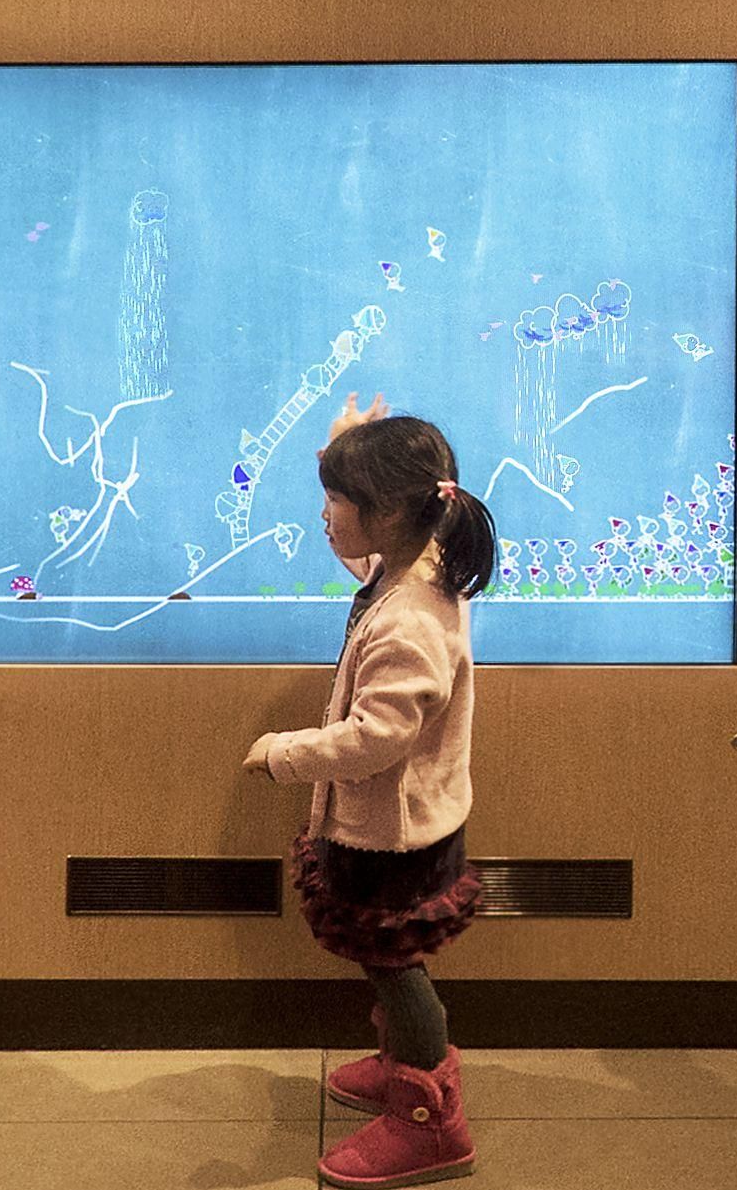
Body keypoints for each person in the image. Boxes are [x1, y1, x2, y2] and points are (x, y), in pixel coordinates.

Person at [245, 394, 494, 1188]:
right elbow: (367, 559)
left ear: (387, 512)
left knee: (393, 963)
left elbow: (375, 739)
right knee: (380, 954)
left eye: (335, 499)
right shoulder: (415, 562)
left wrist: (283, 754)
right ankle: (401, 1063)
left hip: (393, 834)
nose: (323, 516)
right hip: (405, 821)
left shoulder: (409, 619)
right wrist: (342, 448)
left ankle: (429, 1119)